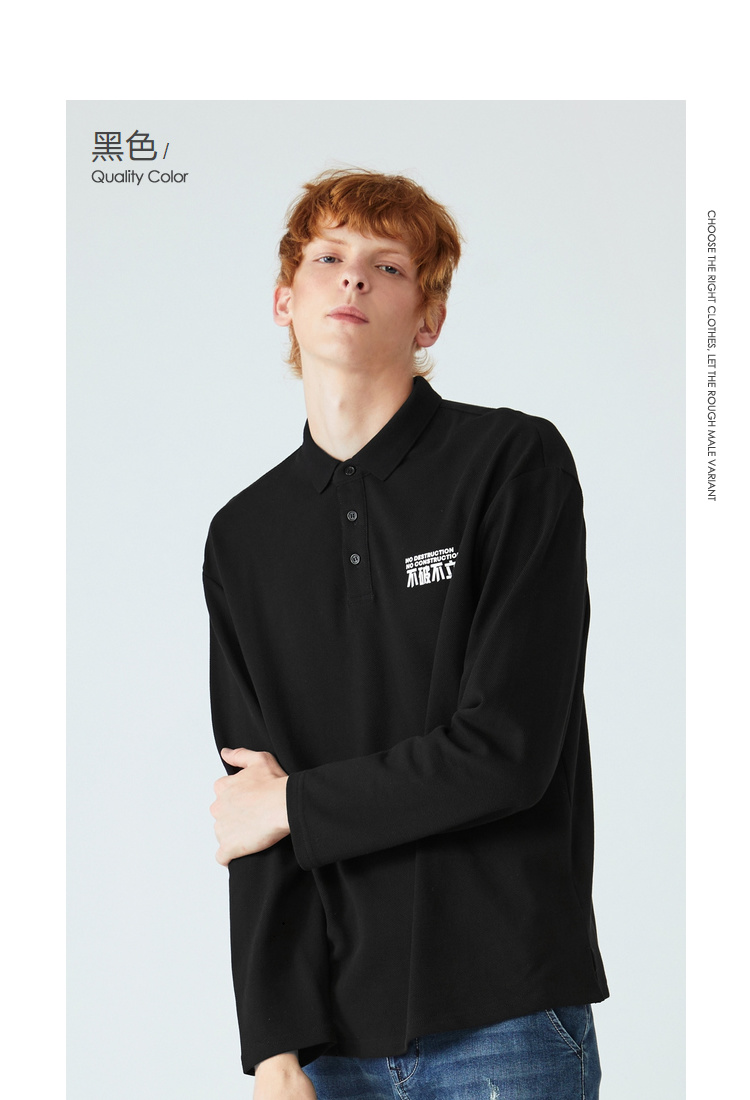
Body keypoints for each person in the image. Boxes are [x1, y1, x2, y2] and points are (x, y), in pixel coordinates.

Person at [204, 168, 609, 1100]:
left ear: (428, 320)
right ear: (284, 300)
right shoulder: (244, 536)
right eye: (328, 258)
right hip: (327, 1042)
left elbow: (506, 751)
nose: (353, 277)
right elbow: (252, 800)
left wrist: (296, 805)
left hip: (506, 1018)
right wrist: (274, 1049)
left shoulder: (512, 464)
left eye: (388, 266)